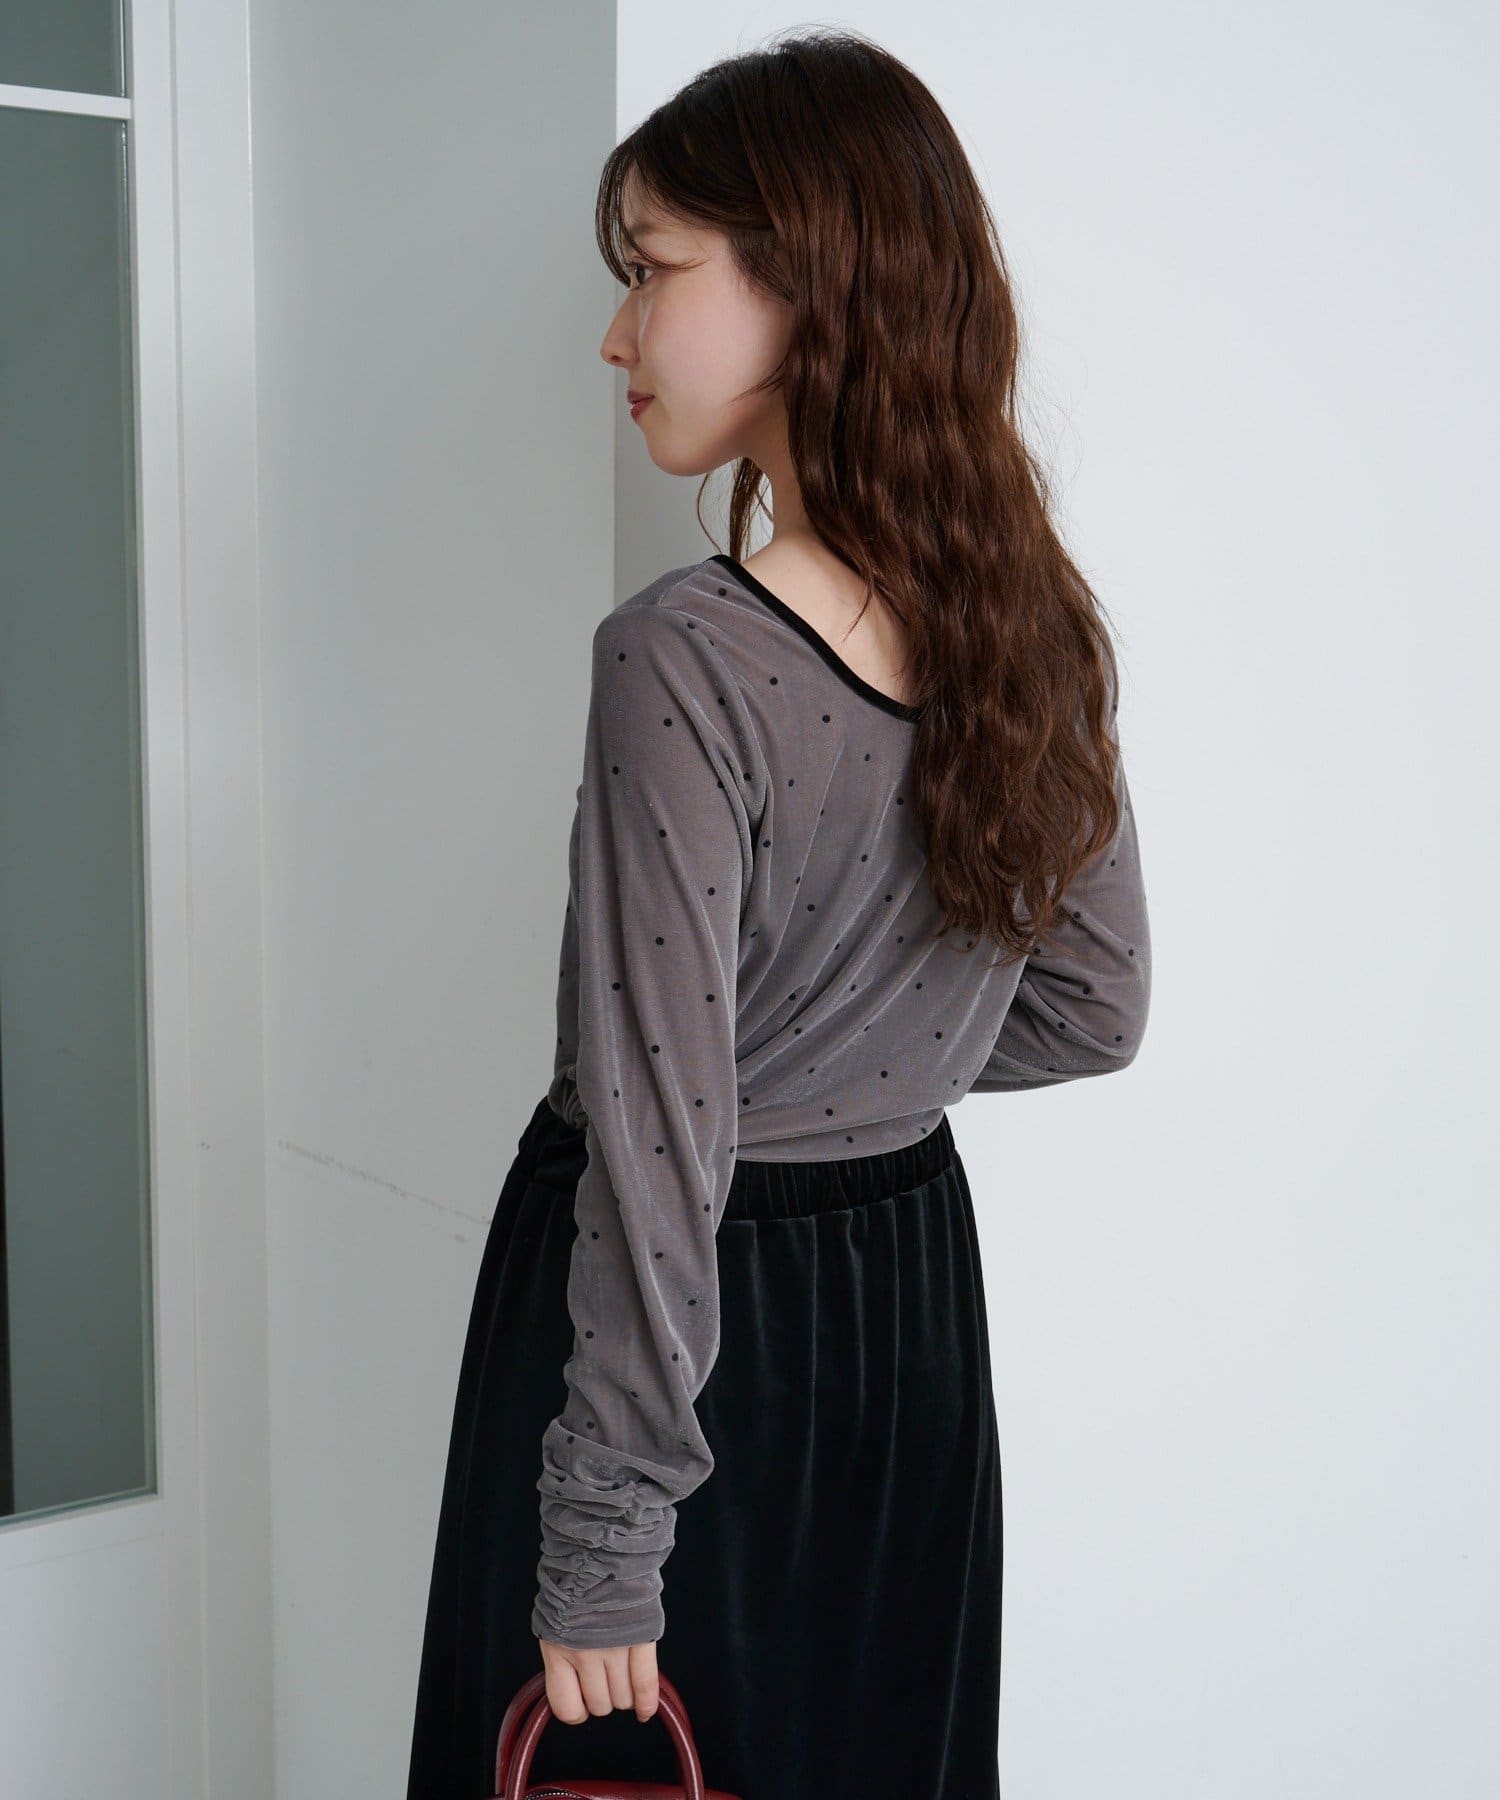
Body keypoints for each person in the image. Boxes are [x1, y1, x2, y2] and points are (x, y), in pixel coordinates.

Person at [406, 26, 1151, 1800]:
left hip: (678, 1339)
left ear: (807, 286)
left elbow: (662, 1146)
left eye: (652, 273)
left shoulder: (685, 656)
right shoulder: (1027, 623)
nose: (615, 335)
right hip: (906, 1309)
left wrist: (604, 1541)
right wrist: (865, 1073)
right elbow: (1093, 1006)